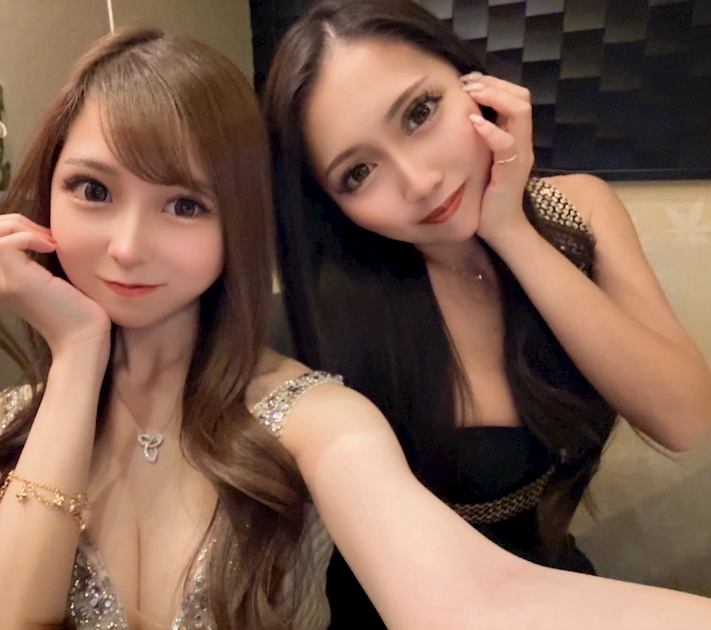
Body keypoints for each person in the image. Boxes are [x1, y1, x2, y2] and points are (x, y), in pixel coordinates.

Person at [0, 27, 710, 630]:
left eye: (185, 204)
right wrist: (76, 359)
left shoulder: (310, 418)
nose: (127, 246)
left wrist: (508, 229)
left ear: (238, 225)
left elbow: (473, 598)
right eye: (92, 189)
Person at [262, 0, 711, 627]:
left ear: (476, 84)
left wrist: (510, 230)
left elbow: (682, 418)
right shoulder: (325, 311)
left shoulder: (577, 212)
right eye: (358, 172)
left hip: (555, 586)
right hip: (399, 610)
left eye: (420, 112)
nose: (419, 181)